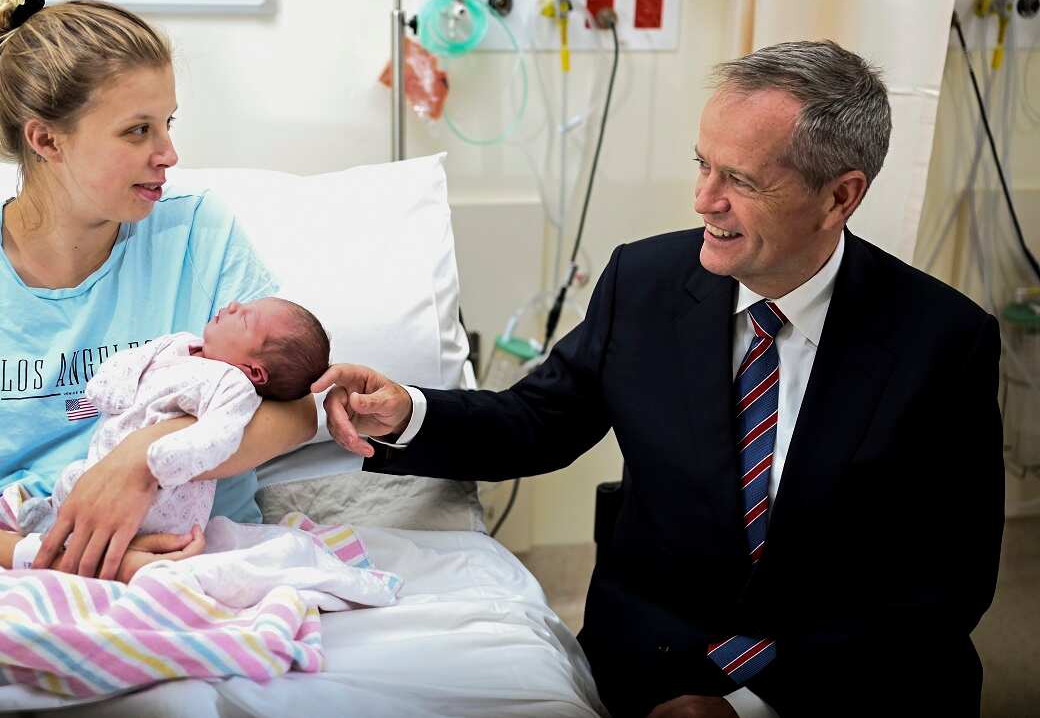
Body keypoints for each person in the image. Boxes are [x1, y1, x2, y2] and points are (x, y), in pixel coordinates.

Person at [313, 41, 1004, 717]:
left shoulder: (943, 343)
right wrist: (408, 411)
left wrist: (748, 707)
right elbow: (539, 421)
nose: (704, 199)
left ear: (839, 197)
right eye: (703, 164)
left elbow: (948, 581)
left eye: (740, 180)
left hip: (845, 677)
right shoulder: (644, 282)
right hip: (659, 653)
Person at [0, 0, 317, 585]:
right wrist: (54, 561)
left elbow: (296, 412)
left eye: (168, 124)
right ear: (46, 141)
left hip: (201, 558)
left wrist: (142, 462)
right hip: (18, 565)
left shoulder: (198, 234)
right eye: (137, 130)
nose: (168, 154)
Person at [7, 297, 330, 544]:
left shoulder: (230, 385)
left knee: (152, 518)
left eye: (245, 318)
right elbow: (135, 361)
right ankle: (54, 522)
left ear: (254, 371)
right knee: (73, 480)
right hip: (105, 457)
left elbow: (221, 433)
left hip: (168, 491)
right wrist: (110, 388)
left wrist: (167, 458)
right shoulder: (178, 344)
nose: (233, 305)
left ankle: (86, 541)